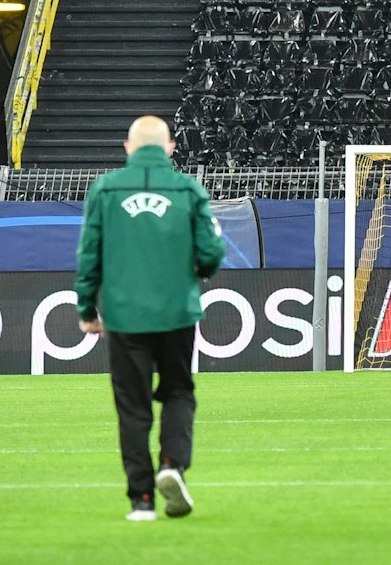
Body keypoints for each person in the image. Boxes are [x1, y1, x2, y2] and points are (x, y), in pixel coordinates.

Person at [76, 115, 226, 523]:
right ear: (170, 148)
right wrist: (198, 272)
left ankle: (141, 500)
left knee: (132, 407)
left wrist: (87, 309)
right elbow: (213, 249)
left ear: (128, 148)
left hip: (126, 317)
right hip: (177, 311)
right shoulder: (188, 188)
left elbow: (89, 254)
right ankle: (172, 465)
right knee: (178, 391)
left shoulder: (105, 190)